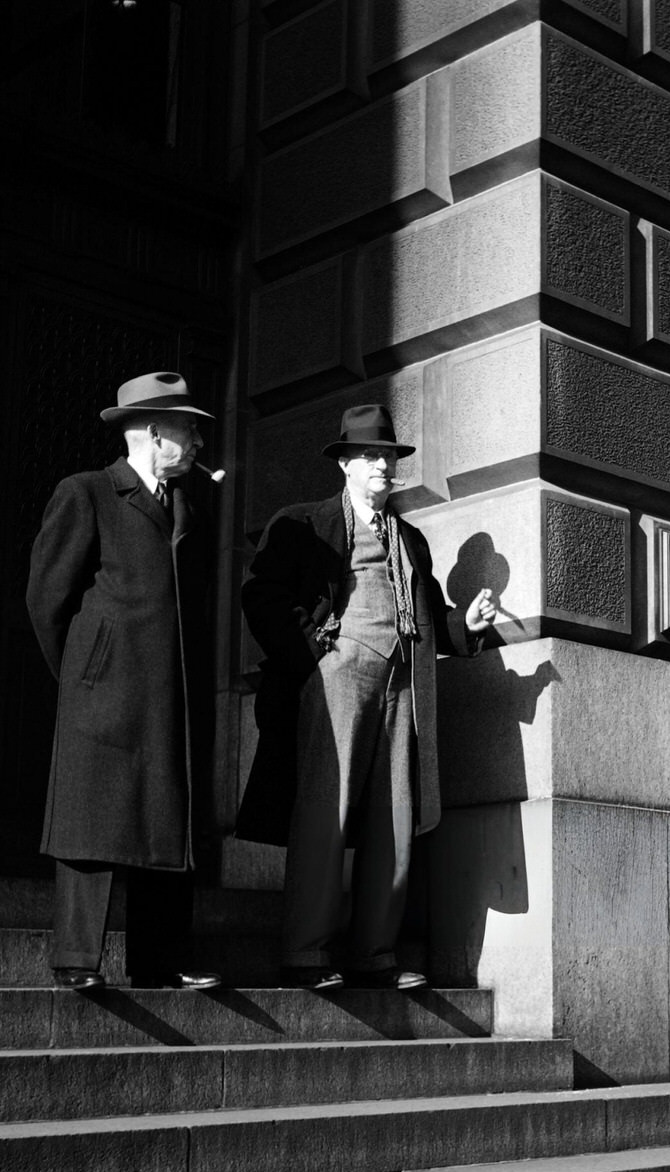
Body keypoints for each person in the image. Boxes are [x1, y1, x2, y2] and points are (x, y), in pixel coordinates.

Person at [237, 404, 497, 990]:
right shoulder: (304, 522)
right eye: (372, 457)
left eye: (390, 456)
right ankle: (305, 952)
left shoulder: (410, 538)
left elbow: (431, 611)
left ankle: (374, 953)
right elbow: (262, 595)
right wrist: (314, 655)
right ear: (347, 465)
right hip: (337, 676)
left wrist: (469, 625)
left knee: (395, 817)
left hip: (404, 681)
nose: (384, 466)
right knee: (324, 810)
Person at [26, 371, 222, 992]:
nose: (196, 443)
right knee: (90, 822)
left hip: (168, 692)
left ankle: (159, 960)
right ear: (152, 431)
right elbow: (45, 599)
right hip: (103, 692)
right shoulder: (86, 493)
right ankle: (77, 962)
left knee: (166, 815)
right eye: (187, 431)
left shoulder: (189, 504)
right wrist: (86, 671)